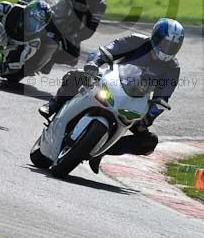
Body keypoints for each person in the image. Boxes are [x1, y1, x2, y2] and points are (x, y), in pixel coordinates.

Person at [39, 18, 185, 174]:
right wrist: (94, 63)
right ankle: (54, 103)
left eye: (172, 46)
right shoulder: (136, 41)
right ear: (155, 37)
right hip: (110, 81)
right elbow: (107, 50)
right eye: (165, 44)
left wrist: (149, 116)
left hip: (133, 102)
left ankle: (102, 151)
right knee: (77, 76)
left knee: (148, 142)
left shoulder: (172, 68)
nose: (167, 49)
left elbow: (163, 98)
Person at [22, 0, 106, 68]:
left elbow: (90, 28)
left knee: (72, 57)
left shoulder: (99, 3)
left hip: (74, 27)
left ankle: (49, 59)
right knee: (29, 13)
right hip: (57, 11)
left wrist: (76, 36)